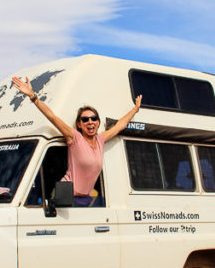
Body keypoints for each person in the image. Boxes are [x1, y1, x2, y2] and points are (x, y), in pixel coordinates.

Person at [11, 76, 142, 206]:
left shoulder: (100, 139)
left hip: (86, 198)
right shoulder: (75, 138)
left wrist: (135, 109)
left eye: (93, 118)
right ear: (79, 124)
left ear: (98, 122)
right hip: (67, 197)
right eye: (85, 120)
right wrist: (33, 96)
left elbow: (120, 125)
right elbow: (52, 117)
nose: (90, 122)